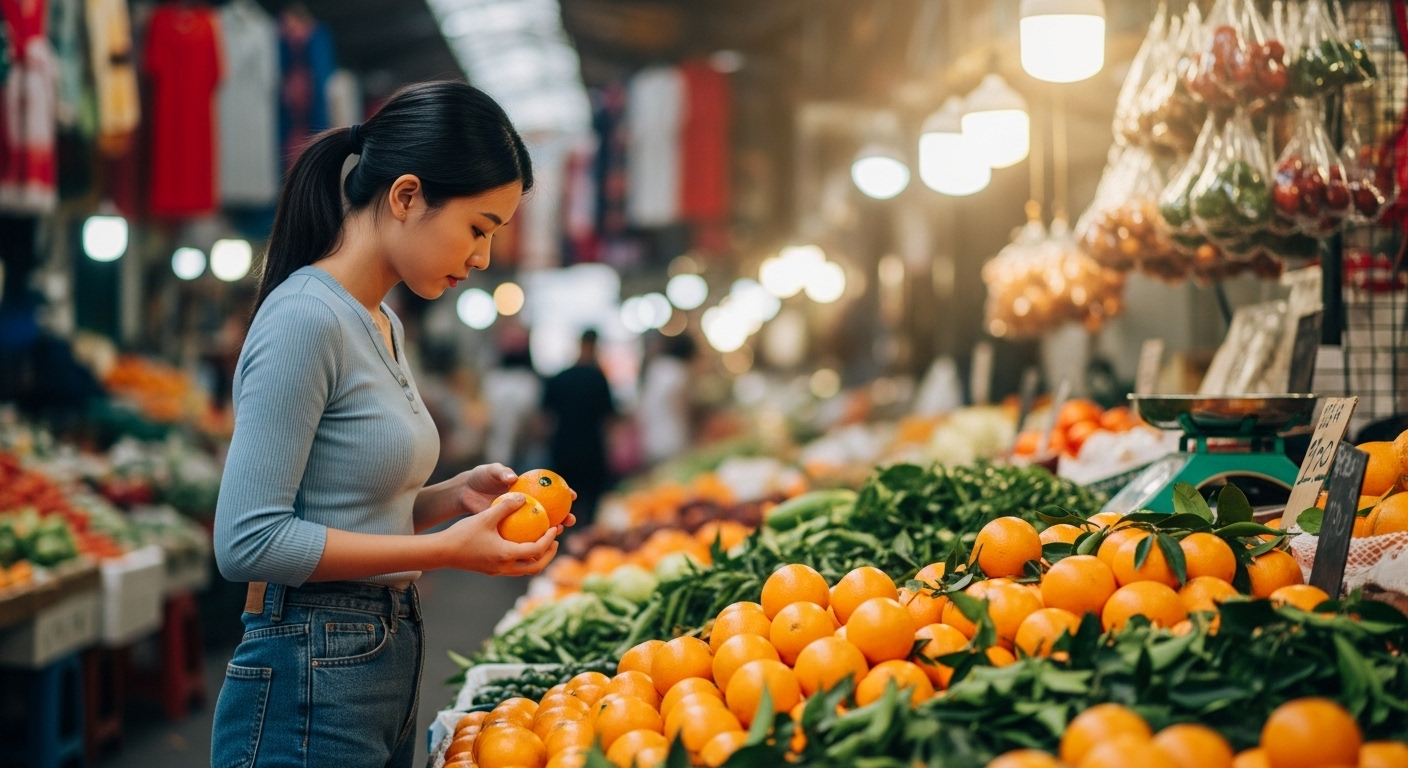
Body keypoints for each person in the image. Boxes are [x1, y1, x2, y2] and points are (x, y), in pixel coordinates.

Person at [211, 82, 569, 768]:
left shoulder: (382, 323)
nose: (483, 258)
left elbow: (344, 505)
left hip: (376, 656)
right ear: (406, 196)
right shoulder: (305, 318)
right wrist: (442, 550)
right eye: (479, 228)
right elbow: (248, 541)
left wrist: (451, 498)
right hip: (308, 671)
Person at [542, 329, 615, 525]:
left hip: (563, 447)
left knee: (562, 504)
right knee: (590, 508)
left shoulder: (560, 378)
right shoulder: (598, 379)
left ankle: (562, 539)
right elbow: (609, 420)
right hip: (592, 449)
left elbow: (544, 420)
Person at [637, 333, 696, 465]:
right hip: (673, 440)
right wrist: (692, 437)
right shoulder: (678, 371)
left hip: (650, 440)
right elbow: (681, 408)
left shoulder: (656, 367)